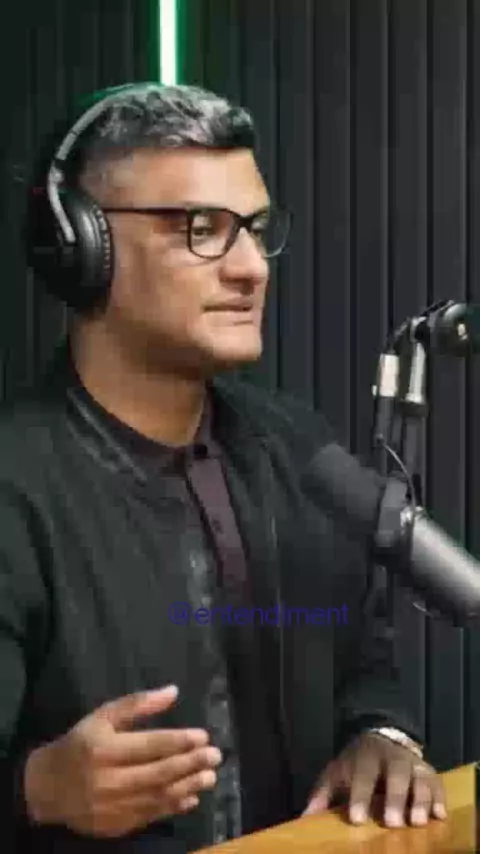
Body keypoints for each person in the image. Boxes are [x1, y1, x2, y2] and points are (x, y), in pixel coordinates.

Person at [0, 82, 446, 852]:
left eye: (256, 230)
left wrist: (382, 733)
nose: (251, 269)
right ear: (82, 249)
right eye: (201, 229)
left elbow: (363, 655)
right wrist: (34, 791)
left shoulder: (296, 448)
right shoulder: (15, 489)